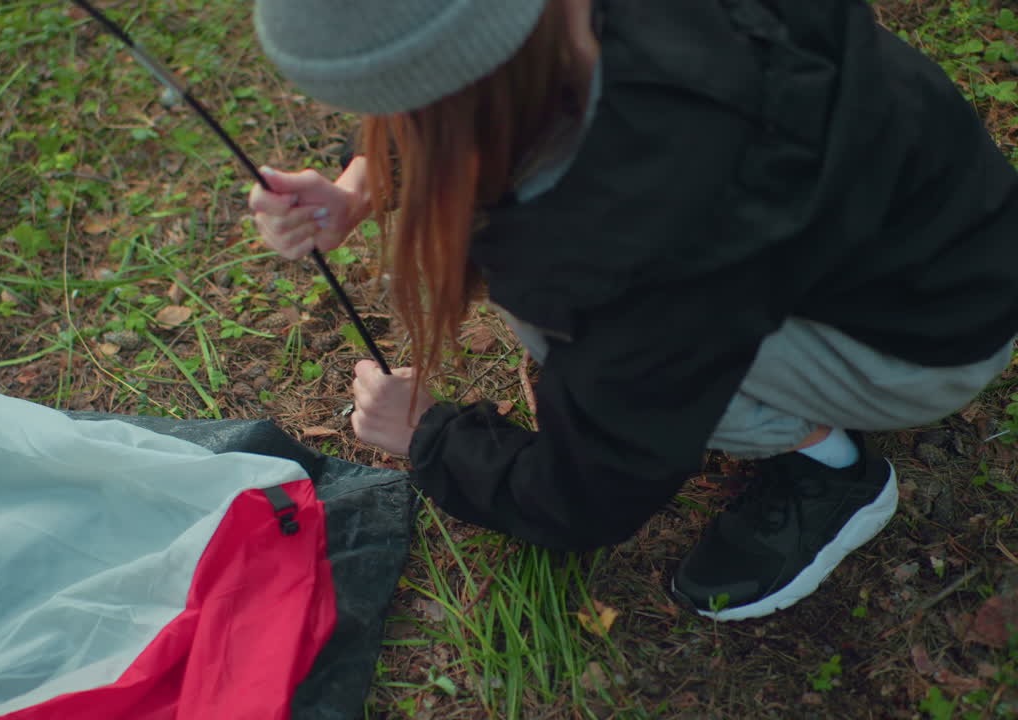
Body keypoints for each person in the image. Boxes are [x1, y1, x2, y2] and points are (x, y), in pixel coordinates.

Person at [246, 0, 1018, 621]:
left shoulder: (617, 244)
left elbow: (586, 496)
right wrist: (361, 183)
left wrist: (430, 438)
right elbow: (479, 64)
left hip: (932, 345)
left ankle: (828, 470)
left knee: (556, 334)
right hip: (955, 235)